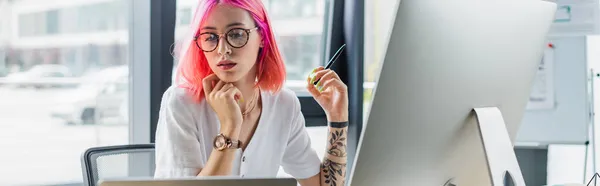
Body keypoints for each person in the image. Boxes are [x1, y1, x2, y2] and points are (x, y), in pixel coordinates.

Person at [153, 0, 349, 186]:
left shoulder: (283, 104)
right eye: (210, 37)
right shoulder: (181, 103)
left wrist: (337, 117)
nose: (223, 50)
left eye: (236, 34)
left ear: (262, 37)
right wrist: (230, 127)